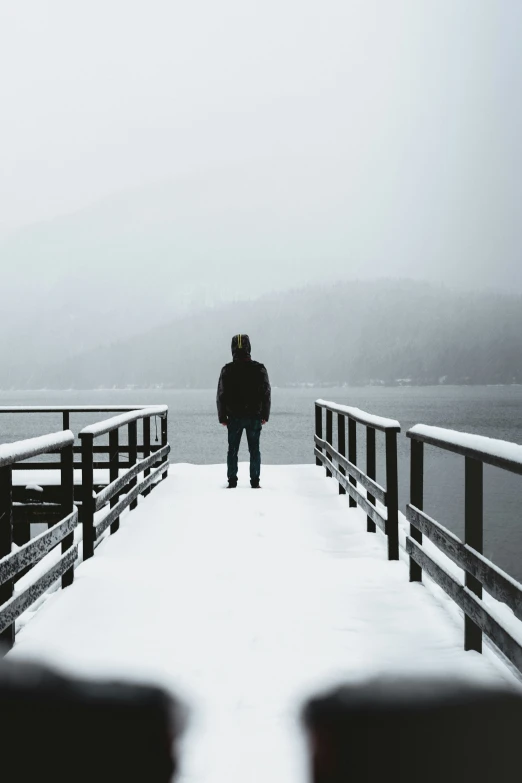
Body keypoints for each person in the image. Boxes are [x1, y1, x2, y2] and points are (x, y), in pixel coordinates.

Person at [216, 334, 271, 488]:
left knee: (232, 450)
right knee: (254, 450)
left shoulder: (227, 370)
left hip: (234, 417)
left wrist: (222, 417)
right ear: (249, 348)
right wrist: (265, 414)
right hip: (254, 416)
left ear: (232, 349)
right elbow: (266, 393)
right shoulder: (259, 369)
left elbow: (221, 395)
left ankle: (232, 481)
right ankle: (255, 482)